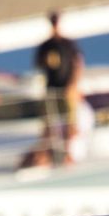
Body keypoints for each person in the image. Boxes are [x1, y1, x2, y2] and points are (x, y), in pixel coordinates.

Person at [33, 11, 82, 163]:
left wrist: (73, 85)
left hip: (66, 89)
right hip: (51, 88)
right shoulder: (45, 45)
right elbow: (38, 64)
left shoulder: (68, 44)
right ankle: (50, 155)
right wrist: (46, 61)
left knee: (70, 123)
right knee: (49, 123)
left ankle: (68, 153)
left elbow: (78, 63)